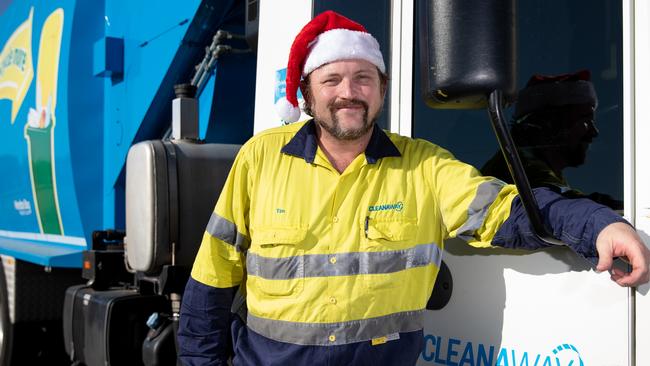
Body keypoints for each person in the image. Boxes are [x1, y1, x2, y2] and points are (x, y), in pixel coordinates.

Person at [177, 11, 650, 366]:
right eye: (332, 79)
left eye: (364, 78)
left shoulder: (424, 166)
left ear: (381, 89)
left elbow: (509, 210)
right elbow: (211, 285)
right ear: (307, 93)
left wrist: (597, 224)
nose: (349, 91)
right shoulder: (260, 159)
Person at [481, 70, 622, 210]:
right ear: (552, 124)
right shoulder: (520, 169)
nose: (594, 132)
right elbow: (562, 206)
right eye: (585, 121)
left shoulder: (538, 168)